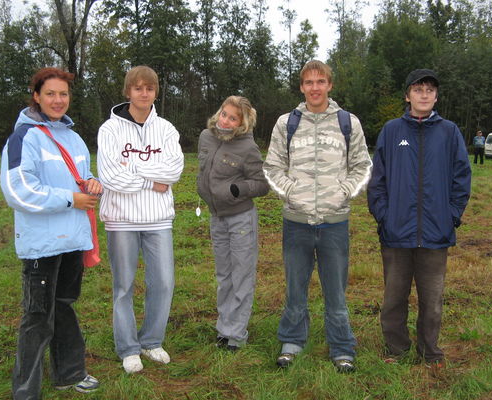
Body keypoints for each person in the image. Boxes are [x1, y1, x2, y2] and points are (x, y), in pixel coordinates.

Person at [263, 60, 372, 372]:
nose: (314, 87)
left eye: (320, 81)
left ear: (329, 85)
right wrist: (292, 194)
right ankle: (292, 341)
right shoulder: (287, 123)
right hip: (295, 223)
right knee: (295, 288)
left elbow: (363, 166)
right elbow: (272, 168)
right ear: (301, 87)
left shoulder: (348, 122)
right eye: (308, 82)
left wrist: (341, 193)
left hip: (334, 223)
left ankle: (341, 347)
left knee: (336, 292)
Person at [0, 67, 102, 399]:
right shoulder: (24, 137)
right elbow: (18, 190)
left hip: (72, 240)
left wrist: (91, 183)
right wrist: (70, 198)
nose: (58, 100)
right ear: (36, 97)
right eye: (50, 94)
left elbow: (79, 179)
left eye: (63, 94)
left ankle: (69, 374)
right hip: (42, 245)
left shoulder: (73, 138)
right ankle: (26, 390)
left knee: (64, 307)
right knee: (37, 316)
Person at [367, 69, 471, 366]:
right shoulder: (391, 130)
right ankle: (397, 351)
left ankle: (430, 352)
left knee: (432, 301)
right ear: (407, 95)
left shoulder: (449, 132)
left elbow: (462, 178)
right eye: (418, 89)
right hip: (396, 234)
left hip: (436, 235)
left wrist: (450, 216)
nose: (424, 94)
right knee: (394, 300)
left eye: (429, 89)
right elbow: (377, 180)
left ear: (436, 96)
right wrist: (384, 216)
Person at [97, 66, 184, 374]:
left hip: (158, 218)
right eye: (138, 88)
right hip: (122, 219)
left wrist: (134, 171)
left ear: (155, 92)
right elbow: (110, 176)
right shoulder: (110, 130)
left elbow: (173, 171)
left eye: (149, 88)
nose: (143, 93)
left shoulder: (167, 129)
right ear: (128, 92)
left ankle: (151, 341)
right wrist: (151, 180)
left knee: (162, 281)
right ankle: (128, 347)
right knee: (124, 285)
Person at [196, 96, 269, 351]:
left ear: (242, 123)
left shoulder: (248, 148)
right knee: (224, 276)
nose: (225, 121)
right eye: (224, 114)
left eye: (233, 118)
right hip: (217, 217)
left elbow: (262, 184)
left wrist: (237, 189)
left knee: (241, 276)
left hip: (240, 219)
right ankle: (224, 328)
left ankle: (236, 335)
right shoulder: (206, 136)